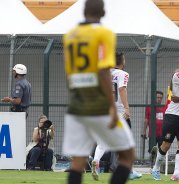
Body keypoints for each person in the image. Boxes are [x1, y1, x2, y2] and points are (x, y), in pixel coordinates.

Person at [62, 1, 135, 184]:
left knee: (78, 161)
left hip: (76, 104)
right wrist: (111, 107)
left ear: (84, 10)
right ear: (103, 11)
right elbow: (104, 72)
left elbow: (71, 73)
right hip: (99, 104)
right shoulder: (104, 34)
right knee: (127, 155)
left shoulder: (70, 36)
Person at [92, 52, 142, 180]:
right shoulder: (123, 74)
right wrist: (126, 108)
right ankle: (128, 171)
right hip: (119, 112)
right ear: (122, 62)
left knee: (102, 141)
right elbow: (122, 89)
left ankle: (96, 161)